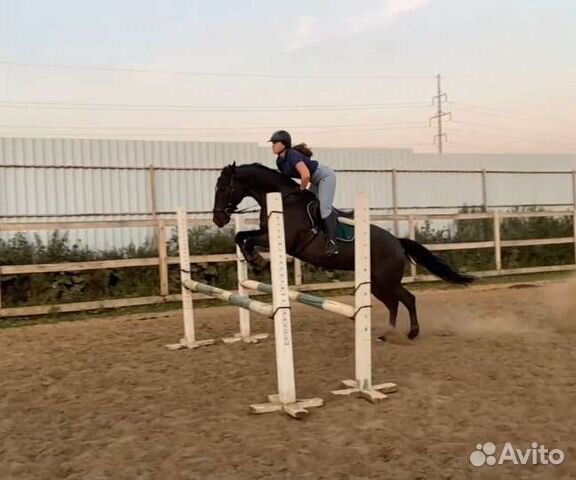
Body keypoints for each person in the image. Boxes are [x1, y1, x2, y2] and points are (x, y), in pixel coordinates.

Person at [269, 130, 339, 256]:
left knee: (324, 208)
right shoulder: (280, 162)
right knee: (308, 204)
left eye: (275, 142)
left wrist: (301, 189)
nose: (272, 145)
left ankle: (332, 242)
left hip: (325, 176)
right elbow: (285, 181)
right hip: (314, 180)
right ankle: (317, 231)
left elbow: (305, 175)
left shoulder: (292, 154)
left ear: (284, 144)